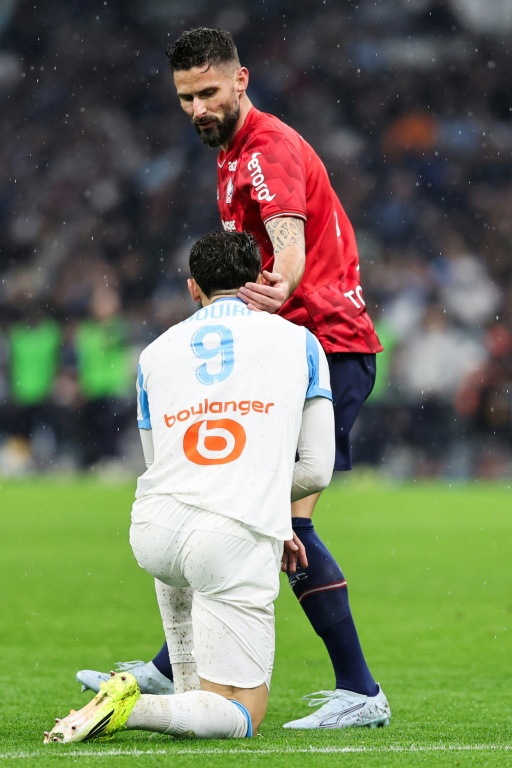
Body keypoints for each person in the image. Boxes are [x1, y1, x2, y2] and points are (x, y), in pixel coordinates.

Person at [77, 26, 391, 731]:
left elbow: (288, 249)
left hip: (324, 349)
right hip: (289, 350)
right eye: (186, 96)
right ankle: (167, 665)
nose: (197, 107)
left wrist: (271, 292)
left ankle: (361, 690)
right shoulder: (229, 154)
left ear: (241, 80)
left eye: (210, 91)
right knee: (228, 508)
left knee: (278, 518)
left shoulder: (265, 151)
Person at [45, 229, 335, 743]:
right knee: (243, 713)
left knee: (197, 676)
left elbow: (164, 466)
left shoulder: (154, 353)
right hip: (227, 536)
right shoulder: (300, 342)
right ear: (259, 281)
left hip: (154, 529)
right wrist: (265, 505)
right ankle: (129, 708)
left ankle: (179, 684)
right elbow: (315, 469)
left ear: (192, 288)